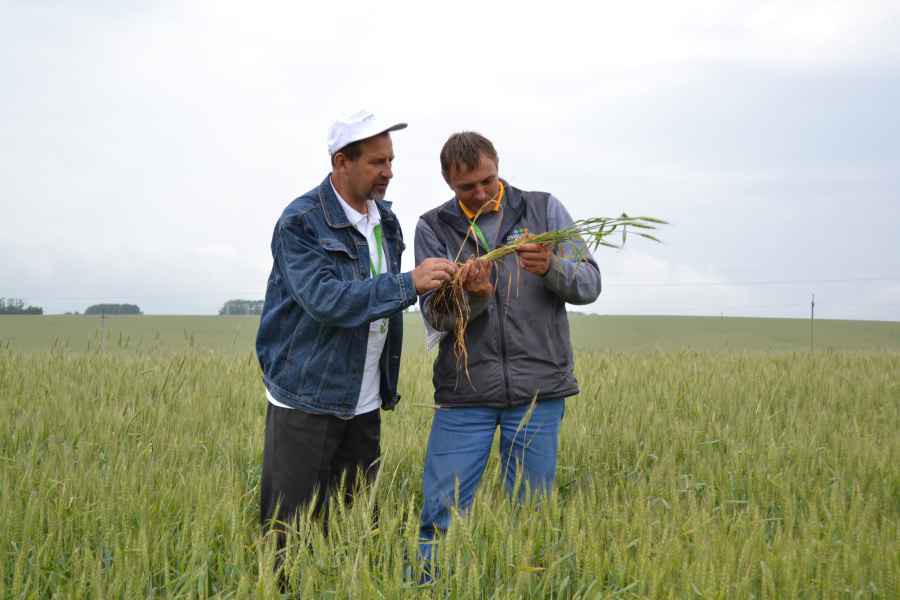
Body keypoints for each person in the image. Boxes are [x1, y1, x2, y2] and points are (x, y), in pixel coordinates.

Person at [255, 110, 458, 556]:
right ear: (340, 162)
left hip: (364, 400)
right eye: (377, 162)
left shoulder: (385, 220)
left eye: (391, 161)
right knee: (287, 532)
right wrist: (409, 283)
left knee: (353, 526)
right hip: (306, 399)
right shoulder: (301, 222)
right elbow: (326, 300)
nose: (389, 172)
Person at [414, 131, 601, 566]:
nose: (480, 193)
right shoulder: (434, 227)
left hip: (539, 391)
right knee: (440, 515)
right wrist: (475, 296)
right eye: (467, 187)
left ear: (498, 167)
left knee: (533, 518)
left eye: (488, 181)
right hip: (465, 396)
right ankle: (426, 587)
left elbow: (590, 284)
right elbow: (435, 317)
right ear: (447, 181)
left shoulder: (544, 209)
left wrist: (553, 268)